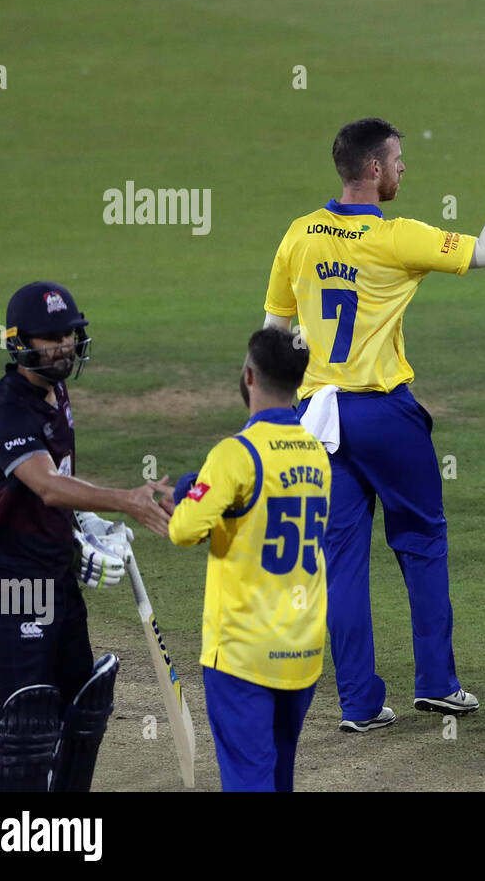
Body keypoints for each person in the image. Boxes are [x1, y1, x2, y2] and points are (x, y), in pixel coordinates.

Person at [263, 118, 485, 730]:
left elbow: (270, 338)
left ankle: (360, 705)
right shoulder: (398, 238)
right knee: (422, 543)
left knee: (340, 563)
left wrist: (268, 427)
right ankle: (439, 684)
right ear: (372, 170)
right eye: (397, 162)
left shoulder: (299, 236)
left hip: (314, 419)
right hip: (383, 415)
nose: (402, 170)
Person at [0, 281, 173, 790]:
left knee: (81, 712)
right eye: (49, 337)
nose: (63, 345)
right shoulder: (5, 410)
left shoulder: (56, 392)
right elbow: (47, 486)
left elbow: (60, 480)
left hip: (56, 576)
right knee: (26, 727)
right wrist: (124, 500)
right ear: (19, 342)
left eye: (68, 333)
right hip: (10, 584)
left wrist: (87, 524)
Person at [166, 328, 328, 791]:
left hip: (243, 655)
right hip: (301, 651)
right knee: (278, 777)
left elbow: (183, 530)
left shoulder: (235, 454)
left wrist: (188, 496)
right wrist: (199, 491)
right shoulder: (316, 453)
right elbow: (260, 513)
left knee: (247, 779)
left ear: (250, 376)